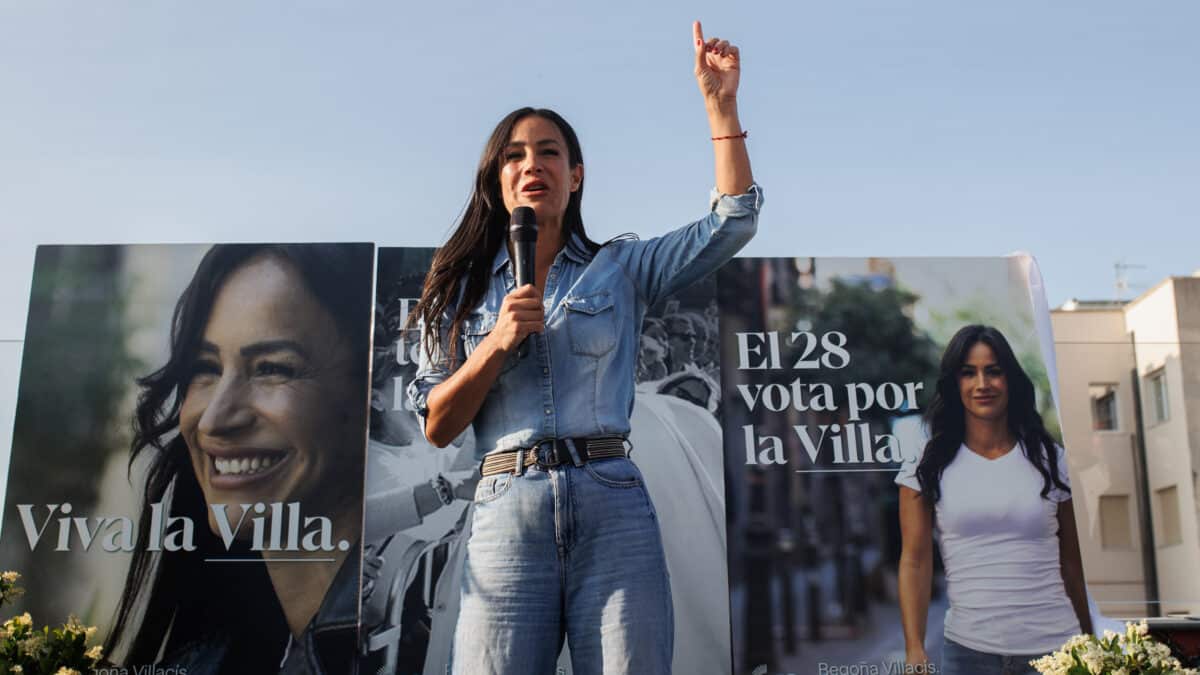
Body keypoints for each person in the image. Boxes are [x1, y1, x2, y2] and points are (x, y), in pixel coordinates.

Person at [408, 21, 760, 674]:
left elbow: (731, 223)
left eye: (549, 152)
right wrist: (495, 345)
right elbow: (436, 423)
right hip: (506, 510)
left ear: (576, 176)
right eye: (515, 154)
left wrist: (722, 108)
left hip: (613, 506)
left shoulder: (620, 268)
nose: (532, 164)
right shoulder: (454, 289)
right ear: (496, 179)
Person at [104, 244, 374, 675]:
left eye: (272, 368)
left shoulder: (438, 639)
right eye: (205, 368)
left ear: (369, 392)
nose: (214, 420)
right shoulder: (205, 660)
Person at [896, 325, 1092, 675]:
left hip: (1056, 651)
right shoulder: (926, 463)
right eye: (968, 373)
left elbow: (1072, 564)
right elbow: (915, 561)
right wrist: (915, 649)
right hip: (968, 653)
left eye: (994, 371)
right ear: (954, 384)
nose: (982, 384)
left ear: (1010, 380)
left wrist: (1091, 643)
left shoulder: (1052, 460)